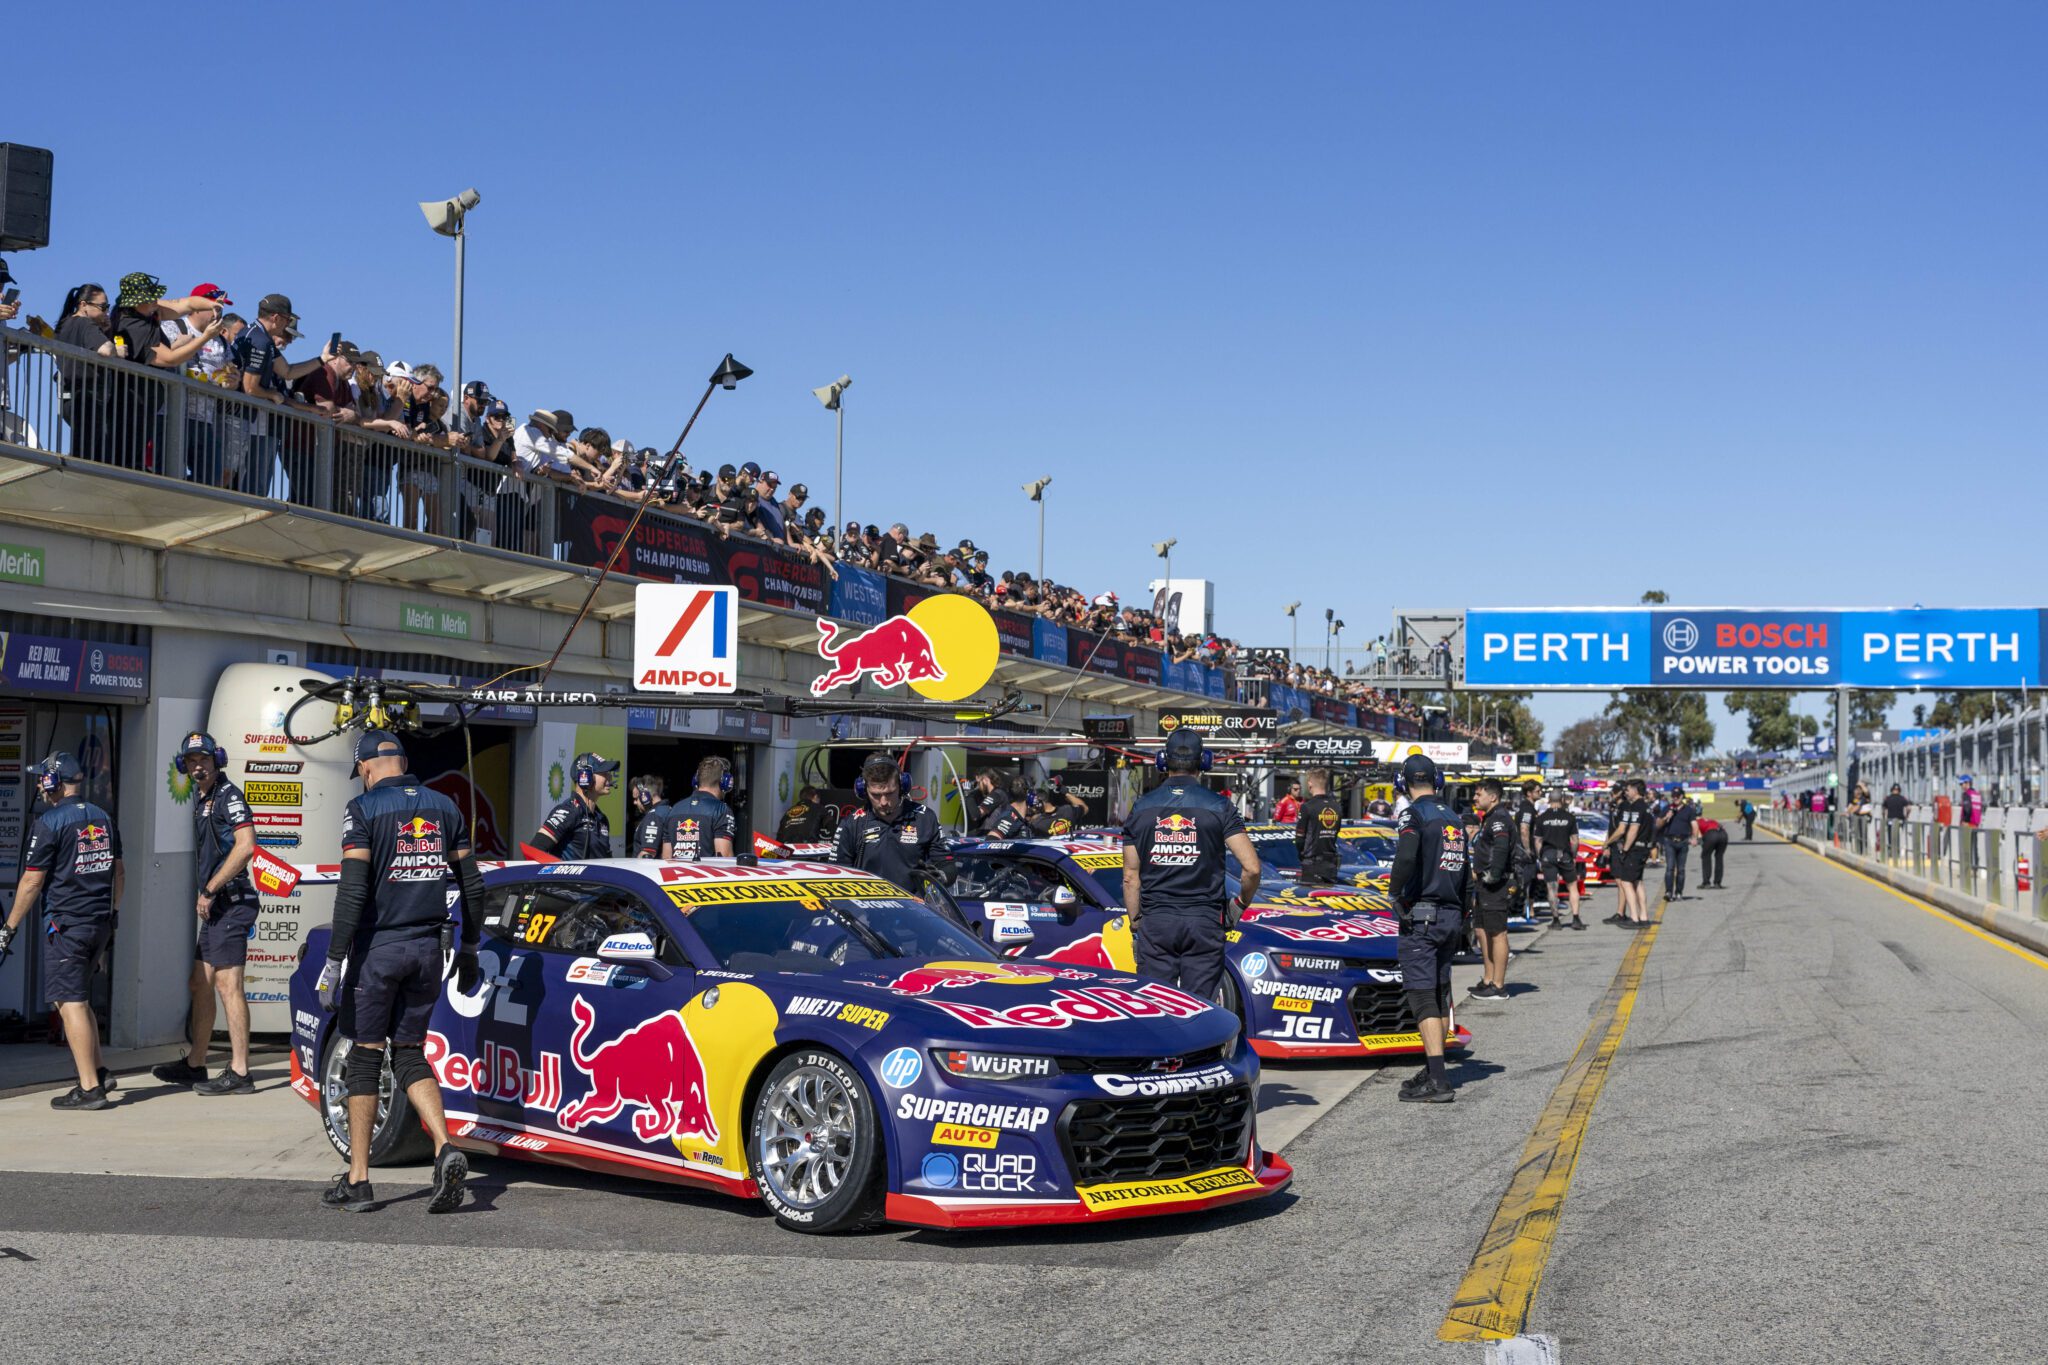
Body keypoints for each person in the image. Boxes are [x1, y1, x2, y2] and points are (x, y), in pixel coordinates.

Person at [313, 732, 483, 1214]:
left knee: (365, 1057)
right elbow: (472, 884)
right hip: (430, 949)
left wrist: (333, 960)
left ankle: (360, 1180)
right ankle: (446, 1147)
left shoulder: (362, 809)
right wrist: (469, 950)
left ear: (366, 768)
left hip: (378, 952)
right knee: (409, 1052)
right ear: (403, 762)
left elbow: (351, 888)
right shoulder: (445, 806)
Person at [0, 754, 123, 1110]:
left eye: (43, 779)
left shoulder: (50, 821)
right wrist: (112, 915)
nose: (39, 784)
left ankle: (89, 1089)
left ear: (55, 782)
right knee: (75, 998)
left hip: (68, 925)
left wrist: (8, 928)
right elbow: (120, 873)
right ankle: (99, 1072)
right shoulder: (104, 817)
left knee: (69, 1002)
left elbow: (31, 881)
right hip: (99, 922)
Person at [153, 732, 263, 1094]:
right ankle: (196, 1064)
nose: (198, 766)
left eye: (204, 759)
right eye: (192, 761)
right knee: (199, 983)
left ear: (218, 760)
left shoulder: (228, 796)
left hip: (231, 901)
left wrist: (210, 888)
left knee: (228, 985)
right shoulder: (202, 799)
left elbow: (246, 847)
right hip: (217, 907)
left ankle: (240, 1071)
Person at [1119, 728, 1258, 1000]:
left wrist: (1137, 926)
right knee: (1201, 1012)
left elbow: (1130, 876)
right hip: (1204, 921)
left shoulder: (1141, 807)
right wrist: (1239, 905)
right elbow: (1252, 868)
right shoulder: (1220, 806)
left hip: (1156, 922)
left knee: (1155, 1009)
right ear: (1204, 761)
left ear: (1162, 761)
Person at [1386, 754, 1467, 1102]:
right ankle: (1434, 1069)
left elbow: (1405, 857)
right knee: (1439, 994)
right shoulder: (1455, 818)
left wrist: (1393, 892)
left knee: (1422, 998)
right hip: (1451, 915)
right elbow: (1468, 874)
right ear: (1439, 780)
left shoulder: (1413, 814)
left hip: (1423, 916)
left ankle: (1438, 1081)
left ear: (1402, 783)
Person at [831, 753, 940, 887]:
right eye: (876, 795)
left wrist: (941, 874)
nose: (883, 802)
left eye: (889, 793)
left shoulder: (925, 818)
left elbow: (945, 863)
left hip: (914, 905)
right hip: (866, 905)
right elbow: (836, 874)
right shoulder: (851, 823)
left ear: (902, 786)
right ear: (863, 790)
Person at [1467, 780, 1518, 1001]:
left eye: (1479, 794)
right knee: (1481, 930)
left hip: (1495, 886)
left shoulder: (1499, 818)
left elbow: (1501, 848)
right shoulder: (1489, 817)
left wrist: (1492, 876)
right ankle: (1488, 979)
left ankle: (1498, 986)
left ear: (1493, 797)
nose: (1475, 798)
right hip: (1483, 886)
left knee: (1497, 933)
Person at [529, 752, 618, 859]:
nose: (610, 777)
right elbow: (534, 850)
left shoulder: (602, 819)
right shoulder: (568, 811)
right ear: (585, 776)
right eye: (604, 773)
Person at [663, 757, 738, 860]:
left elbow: (666, 858)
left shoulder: (674, 809)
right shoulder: (721, 810)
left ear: (695, 780)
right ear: (725, 782)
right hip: (708, 875)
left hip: (678, 875)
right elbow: (724, 858)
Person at [1533, 790, 1584, 930]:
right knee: (1572, 886)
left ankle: (1556, 920)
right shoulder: (1569, 817)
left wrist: (1540, 857)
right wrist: (1573, 856)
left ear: (1549, 800)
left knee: (1551, 887)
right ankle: (1576, 918)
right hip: (1565, 854)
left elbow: (1537, 841)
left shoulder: (1542, 818)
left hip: (1548, 855)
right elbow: (1574, 840)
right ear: (1562, 800)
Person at [1608, 779, 1652, 927]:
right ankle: (1644, 916)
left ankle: (1634, 917)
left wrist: (1625, 849)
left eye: (1628, 789)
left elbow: (1632, 830)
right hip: (1643, 848)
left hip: (1635, 850)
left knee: (1626, 882)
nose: (1626, 792)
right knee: (1637, 882)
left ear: (1635, 790)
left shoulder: (1636, 807)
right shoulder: (1646, 807)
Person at [1293, 768, 1343, 887]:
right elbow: (1336, 834)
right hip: (1331, 864)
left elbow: (1300, 839)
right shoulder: (1337, 807)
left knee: (1312, 903)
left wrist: (1301, 855)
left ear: (1310, 783)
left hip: (1312, 864)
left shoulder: (1307, 807)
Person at [1662, 788, 1698, 900]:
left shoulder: (1689, 810)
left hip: (1683, 842)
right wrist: (1666, 817)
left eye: (1678, 795)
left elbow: (1694, 825)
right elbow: (1658, 824)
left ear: (1682, 796)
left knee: (1681, 869)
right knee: (1670, 868)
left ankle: (1679, 892)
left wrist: (1694, 838)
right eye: (1673, 795)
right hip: (1669, 841)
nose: (1675, 797)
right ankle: (1668, 892)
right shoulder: (1667, 808)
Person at [629, 775, 671, 859]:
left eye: (636, 798)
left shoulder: (654, 816)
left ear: (645, 797)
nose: (634, 802)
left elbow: (647, 855)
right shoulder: (668, 810)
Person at [1697, 812, 1729, 889]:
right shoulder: (1710, 820)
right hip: (1723, 834)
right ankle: (1717, 883)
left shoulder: (1696, 822)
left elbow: (1699, 836)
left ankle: (1706, 882)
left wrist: (1702, 845)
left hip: (1711, 834)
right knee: (1719, 857)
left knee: (1706, 857)